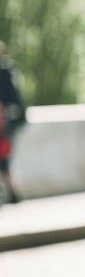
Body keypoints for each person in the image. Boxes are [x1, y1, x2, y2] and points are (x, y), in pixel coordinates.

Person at [0, 40, 26, 204]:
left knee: (3, 157)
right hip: (9, 118)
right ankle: (12, 191)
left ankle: (12, 192)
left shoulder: (5, 70)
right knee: (4, 157)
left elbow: (12, 100)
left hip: (7, 119)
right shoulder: (9, 68)